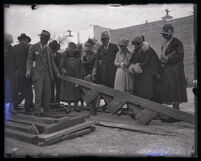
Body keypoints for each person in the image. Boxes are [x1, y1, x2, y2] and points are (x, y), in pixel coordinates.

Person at [26, 30, 60, 115]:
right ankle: (37, 110)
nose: (43, 40)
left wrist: (56, 72)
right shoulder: (33, 47)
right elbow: (29, 59)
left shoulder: (49, 49)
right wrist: (28, 70)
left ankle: (46, 109)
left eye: (45, 39)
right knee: (38, 92)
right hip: (37, 73)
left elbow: (52, 62)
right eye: (42, 38)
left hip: (47, 74)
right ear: (40, 38)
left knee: (47, 92)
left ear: (47, 39)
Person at [159, 24, 188, 122]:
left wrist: (168, 58)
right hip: (167, 69)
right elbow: (164, 55)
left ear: (171, 32)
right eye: (163, 34)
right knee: (170, 91)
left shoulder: (177, 42)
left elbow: (180, 55)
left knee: (175, 90)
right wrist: (162, 60)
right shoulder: (164, 44)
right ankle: (174, 114)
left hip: (175, 70)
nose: (164, 36)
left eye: (166, 34)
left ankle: (176, 115)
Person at [129, 35, 161, 100]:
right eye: (134, 44)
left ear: (140, 43)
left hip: (146, 71)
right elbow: (132, 59)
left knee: (145, 88)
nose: (135, 45)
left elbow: (148, 60)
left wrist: (139, 65)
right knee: (138, 89)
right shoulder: (136, 50)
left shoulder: (148, 49)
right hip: (138, 72)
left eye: (136, 44)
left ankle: (147, 103)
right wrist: (132, 65)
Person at [60, 42, 86, 111]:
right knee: (68, 92)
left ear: (75, 50)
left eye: (72, 49)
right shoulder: (64, 57)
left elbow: (81, 68)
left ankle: (76, 106)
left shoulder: (78, 59)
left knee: (76, 92)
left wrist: (81, 76)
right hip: (68, 78)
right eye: (70, 49)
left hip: (76, 77)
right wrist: (63, 70)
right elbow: (61, 66)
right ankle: (69, 106)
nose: (71, 51)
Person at [13, 33, 34, 113]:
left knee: (23, 91)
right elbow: (32, 60)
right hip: (26, 73)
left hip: (17, 73)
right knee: (28, 92)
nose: (28, 42)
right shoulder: (29, 47)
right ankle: (27, 108)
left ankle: (15, 104)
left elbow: (12, 61)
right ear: (26, 40)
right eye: (27, 40)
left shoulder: (14, 48)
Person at [4, 33, 18, 115]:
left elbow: (14, 60)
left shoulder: (11, 48)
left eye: (9, 43)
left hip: (11, 72)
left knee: (13, 89)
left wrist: (16, 69)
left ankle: (11, 108)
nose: (8, 44)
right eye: (6, 43)